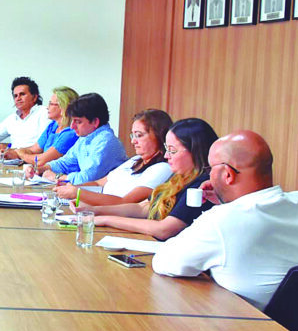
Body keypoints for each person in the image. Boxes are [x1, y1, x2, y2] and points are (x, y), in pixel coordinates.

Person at [153, 131, 298, 310]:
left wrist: (226, 207)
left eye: (210, 169)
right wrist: (228, 199)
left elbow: (165, 262)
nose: (209, 176)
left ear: (228, 174)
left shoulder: (223, 219)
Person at [71, 118, 217, 240]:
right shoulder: (179, 176)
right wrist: (94, 211)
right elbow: (143, 207)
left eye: (172, 151)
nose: (167, 156)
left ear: (195, 151)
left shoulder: (201, 185)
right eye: (167, 149)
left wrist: (105, 219)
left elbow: (164, 229)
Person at [55, 109, 172, 206]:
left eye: (139, 135)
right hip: (96, 209)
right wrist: (69, 188)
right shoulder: (135, 160)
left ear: (159, 136)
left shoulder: (162, 168)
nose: (133, 141)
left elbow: (125, 202)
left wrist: (77, 193)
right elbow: (99, 184)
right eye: (133, 135)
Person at [38, 93, 127, 184]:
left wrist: (57, 177)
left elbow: (87, 178)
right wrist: (42, 168)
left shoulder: (105, 142)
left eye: (78, 121)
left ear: (95, 122)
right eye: (72, 121)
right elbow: (66, 162)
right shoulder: (85, 136)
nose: (72, 127)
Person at [10, 86, 79, 164]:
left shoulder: (71, 133)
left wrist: (20, 154)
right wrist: (14, 152)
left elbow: (40, 160)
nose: (47, 107)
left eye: (51, 104)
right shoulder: (53, 125)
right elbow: (33, 149)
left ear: (64, 107)